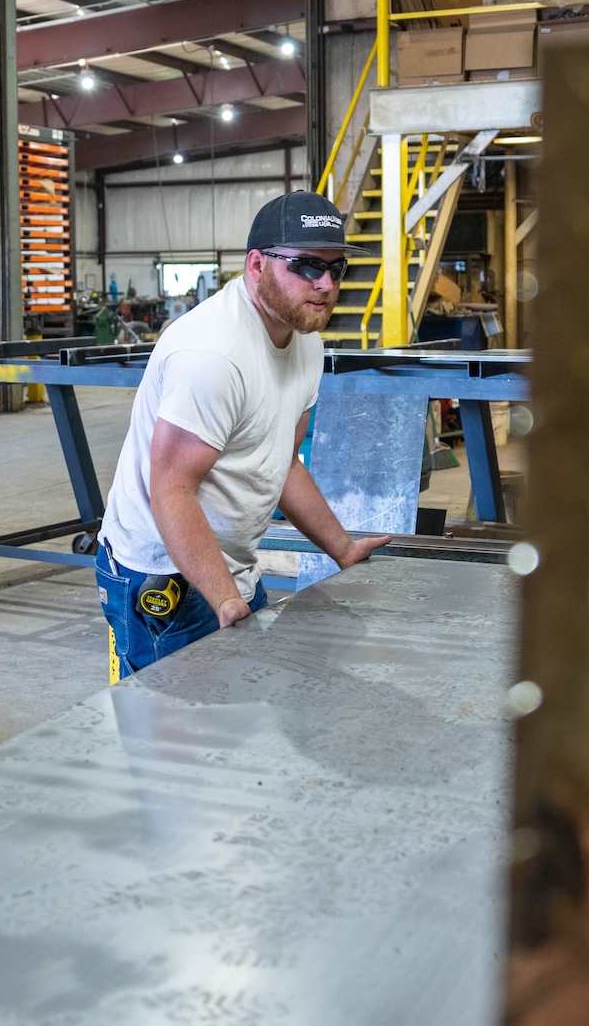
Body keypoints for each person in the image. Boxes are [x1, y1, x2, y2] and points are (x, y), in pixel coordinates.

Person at [95, 190, 392, 679]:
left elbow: (285, 462)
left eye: (335, 269)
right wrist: (226, 600)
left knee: (235, 725)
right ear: (257, 265)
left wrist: (341, 547)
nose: (324, 284)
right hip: (162, 574)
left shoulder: (306, 342)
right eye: (306, 266)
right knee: (167, 741)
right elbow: (170, 488)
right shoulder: (212, 354)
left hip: (231, 566)